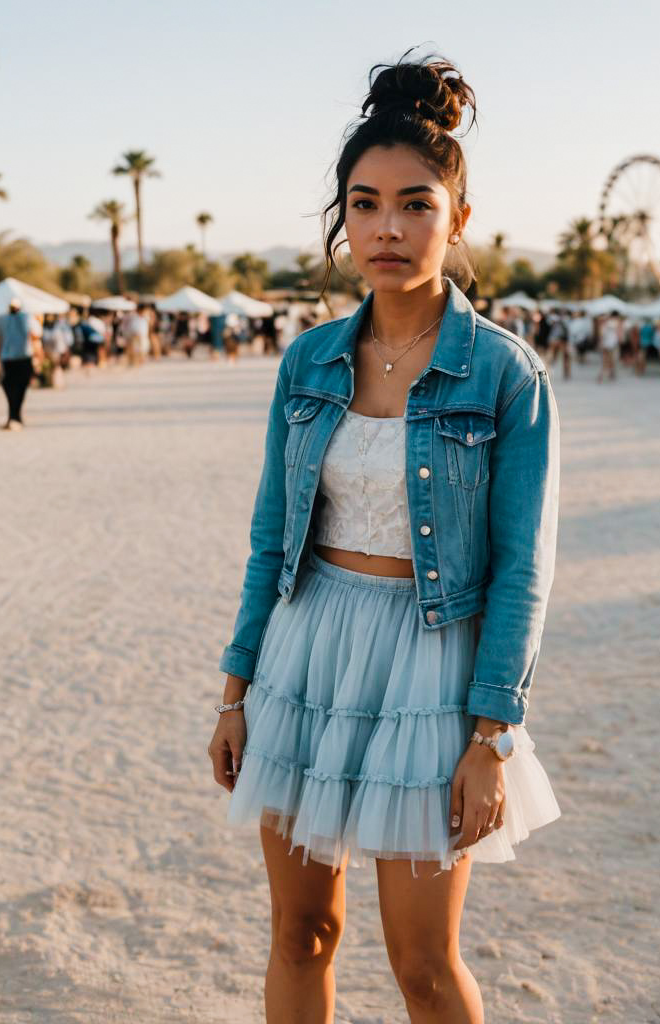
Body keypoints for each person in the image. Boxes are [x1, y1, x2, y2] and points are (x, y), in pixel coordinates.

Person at [208, 51, 561, 1022]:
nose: (388, 228)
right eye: (364, 204)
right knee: (300, 934)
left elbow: (524, 566)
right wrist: (234, 691)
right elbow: (271, 534)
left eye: (415, 204)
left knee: (423, 961)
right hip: (306, 652)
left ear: (458, 217)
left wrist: (492, 732)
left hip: (430, 666)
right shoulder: (308, 362)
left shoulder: (505, 375)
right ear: (342, 218)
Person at [0, 298, 41, 430]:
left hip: (8, 358)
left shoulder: (2, 319)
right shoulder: (28, 318)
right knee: (20, 387)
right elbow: (36, 335)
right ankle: (15, 416)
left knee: (10, 387)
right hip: (23, 357)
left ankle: (14, 416)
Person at [597, 312, 620, 382]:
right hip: (611, 344)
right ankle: (610, 373)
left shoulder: (603, 326)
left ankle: (604, 374)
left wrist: (600, 344)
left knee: (606, 360)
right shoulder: (613, 324)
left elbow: (601, 337)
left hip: (607, 344)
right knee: (610, 359)